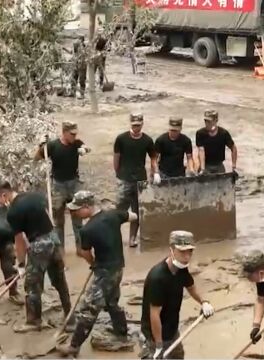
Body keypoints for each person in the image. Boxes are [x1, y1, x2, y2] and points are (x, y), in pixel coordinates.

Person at [56, 191, 138, 357]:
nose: (74, 213)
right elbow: (134, 216)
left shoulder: (87, 230)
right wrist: (114, 213)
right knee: (112, 301)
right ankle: (121, 332)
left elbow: (85, 253)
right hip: (118, 267)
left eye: (77, 209)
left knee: (89, 308)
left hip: (104, 271)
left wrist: (93, 263)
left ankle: (74, 346)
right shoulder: (113, 215)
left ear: (87, 207)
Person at [0, 178, 72, 333]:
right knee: (59, 280)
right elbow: (47, 217)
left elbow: (19, 241)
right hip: (53, 238)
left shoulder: (13, 212)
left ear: (4, 194)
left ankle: (34, 321)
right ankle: (69, 314)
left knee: (32, 285)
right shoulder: (34, 196)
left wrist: (20, 264)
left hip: (39, 245)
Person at [139, 231, 215, 359]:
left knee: (178, 356)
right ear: (172, 250)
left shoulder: (181, 268)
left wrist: (204, 302)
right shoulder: (157, 278)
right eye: (182, 252)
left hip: (172, 329)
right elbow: (154, 314)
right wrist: (158, 345)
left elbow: (190, 287)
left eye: (190, 251)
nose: (187, 257)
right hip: (154, 335)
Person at [35, 121, 90, 255]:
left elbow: (86, 147)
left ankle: (80, 248)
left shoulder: (76, 144)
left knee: (78, 218)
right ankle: (60, 252)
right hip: (58, 186)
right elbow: (36, 158)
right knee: (58, 221)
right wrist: (41, 146)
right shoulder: (53, 146)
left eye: (75, 134)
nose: (74, 136)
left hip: (74, 184)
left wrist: (85, 149)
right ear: (64, 132)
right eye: (71, 134)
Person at [113, 113, 158, 248]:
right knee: (119, 210)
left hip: (140, 180)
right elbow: (116, 158)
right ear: (130, 124)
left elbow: (153, 157)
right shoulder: (121, 139)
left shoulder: (147, 141)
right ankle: (115, 237)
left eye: (138, 125)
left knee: (137, 211)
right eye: (134, 125)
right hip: (124, 179)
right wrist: (119, 174)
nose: (136, 128)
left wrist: (155, 172)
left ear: (142, 124)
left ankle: (132, 238)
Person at [195, 110, 238, 175]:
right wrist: (202, 168)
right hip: (206, 165)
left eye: (209, 121)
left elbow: (233, 148)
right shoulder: (200, 133)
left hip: (219, 165)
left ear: (216, 121)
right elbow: (201, 150)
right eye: (205, 121)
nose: (207, 123)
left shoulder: (223, 133)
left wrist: (234, 165)